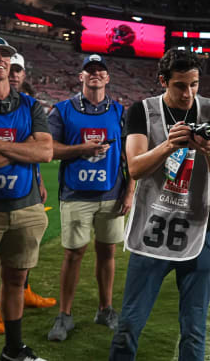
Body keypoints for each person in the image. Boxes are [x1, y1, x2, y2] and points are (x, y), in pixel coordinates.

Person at [108, 48, 210, 361]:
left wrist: (206, 148)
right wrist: (168, 144)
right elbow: (134, 168)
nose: (188, 93)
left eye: (194, 84)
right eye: (180, 85)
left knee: (194, 325)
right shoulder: (142, 110)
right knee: (130, 321)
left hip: (201, 226)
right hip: (153, 225)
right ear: (163, 81)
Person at [0, 35, 52, 360]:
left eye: (4, 55)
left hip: (25, 206)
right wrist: (23, 148)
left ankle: (14, 352)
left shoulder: (31, 105)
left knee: (16, 280)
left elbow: (45, 152)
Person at [46, 54, 135, 341]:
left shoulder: (120, 111)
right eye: (90, 70)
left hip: (111, 193)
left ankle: (105, 309)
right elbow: (47, 149)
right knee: (73, 254)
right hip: (75, 194)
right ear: (81, 76)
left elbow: (129, 155)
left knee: (107, 252)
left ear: (108, 78)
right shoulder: (62, 110)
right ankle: (65, 315)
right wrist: (80, 149)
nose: (95, 74)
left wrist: (130, 191)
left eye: (100, 71)